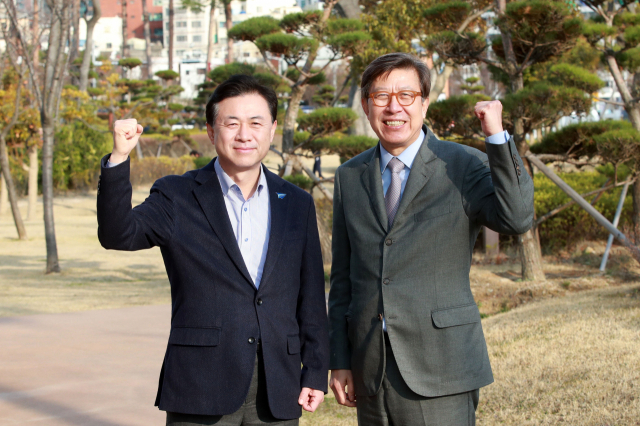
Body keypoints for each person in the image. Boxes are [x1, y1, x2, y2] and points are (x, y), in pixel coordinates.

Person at [97, 75, 329, 425]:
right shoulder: (177, 195)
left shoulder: (296, 202)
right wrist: (119, 158)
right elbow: (118, 234)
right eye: (231, 123)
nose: (244, 134)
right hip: (201, 384)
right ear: (210, 131)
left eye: (256, 123)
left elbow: (310, 297)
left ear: (272, 130)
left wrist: (315, 370)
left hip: (278, 385)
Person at [328, 52, 534, 425]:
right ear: (366, 105)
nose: (394, 107)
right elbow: (343, 278)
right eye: (381, 96)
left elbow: (517, 217)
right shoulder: (349, 175)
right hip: (371, 368)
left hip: (441, 366)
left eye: (406, 95)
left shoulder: (461, 164)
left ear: (424, 103)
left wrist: (496, 136)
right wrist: (340, 359)